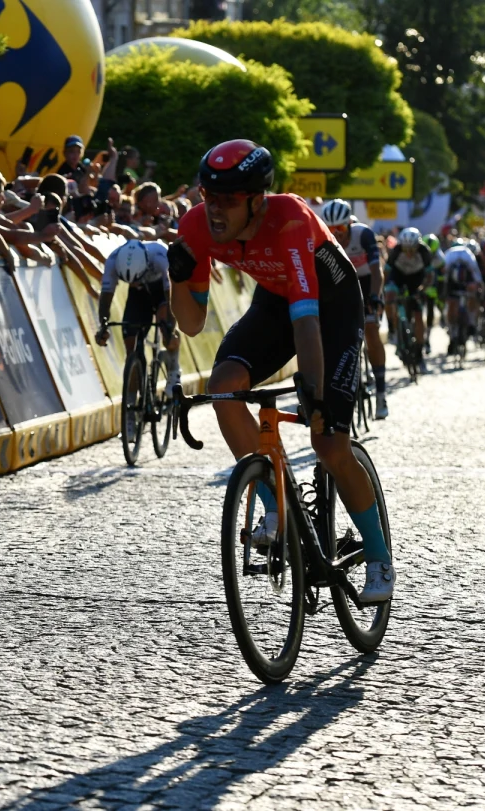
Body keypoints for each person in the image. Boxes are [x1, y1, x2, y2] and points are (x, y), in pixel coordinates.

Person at [166, 139, 395, 604]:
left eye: (228, 200)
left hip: (329, 305)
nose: (215, 210)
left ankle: (378, 555)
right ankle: (277, 508)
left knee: (328, 443)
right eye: (210, 197)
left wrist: (312, 396)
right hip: (275, 300)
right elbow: (190, 325)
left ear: (256, 200)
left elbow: (307, 322)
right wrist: (178, 277)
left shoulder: (288, 217)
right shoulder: (195, 226)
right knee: (223, 387)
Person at [322, 199, 388, 419]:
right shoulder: (323, 237)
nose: (336, 233)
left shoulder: (364, 235)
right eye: (332, 229)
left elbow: (377, 270)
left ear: (349, 224)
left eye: (340, 228)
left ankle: (380, 391)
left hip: (368, 281)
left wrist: (376, 297)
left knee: (370, 329)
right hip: (344, 283)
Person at [94, 240, 182, 398]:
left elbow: (172, 299)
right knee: (130, 345)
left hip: (162, 290)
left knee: (166, 325)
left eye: (136, 278)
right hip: (138, 294)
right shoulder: (113, 260)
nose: (133, 282)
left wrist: (170, 327)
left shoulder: (161, 257)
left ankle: (174, 369)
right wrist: (103, 325)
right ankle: (131, 402)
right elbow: (106, 297)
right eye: (129, 281)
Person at [384, 226, 439, 370]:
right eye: (405, 249)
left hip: (416, 278)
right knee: (389, 295)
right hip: (398, 276)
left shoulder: (424, 251)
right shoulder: (396, 250)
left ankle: (419, 351)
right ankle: (393, 329)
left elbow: (430, 275)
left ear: (418, 246)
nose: (408, 253)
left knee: (418, 315)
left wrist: (423, 289)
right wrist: (385, 291)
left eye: (412, 249)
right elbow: (386, 272)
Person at [441, 239, 483, 353]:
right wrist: (479, 288)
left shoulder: (450, 254)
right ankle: (471, 324)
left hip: (454, 284)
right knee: (472, 297)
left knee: (451, 305)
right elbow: (476, 273)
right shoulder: (467, 254)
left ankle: (453, 331)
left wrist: (443, 293)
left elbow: (443, 275)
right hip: (460, 283)